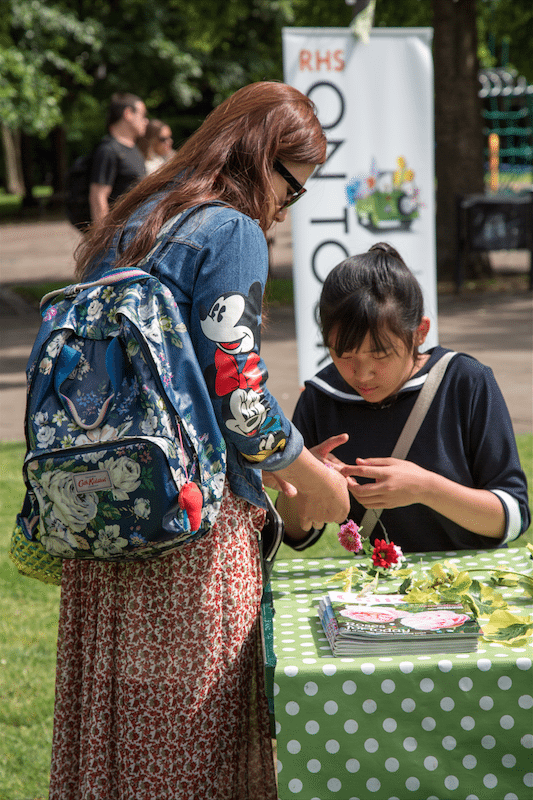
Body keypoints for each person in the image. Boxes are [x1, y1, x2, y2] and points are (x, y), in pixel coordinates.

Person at [48, 81, 350, 800]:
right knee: (195, 747)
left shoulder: (133, 217)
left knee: (118, 743)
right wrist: (311, 478)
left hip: (102, 521)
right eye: (292, 188)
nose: (285, 207)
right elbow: (240, 399)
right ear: (259, 160)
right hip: (190, 536)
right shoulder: (229, 228)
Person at [278, 242, 530, 554]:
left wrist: (426, 488)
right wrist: (307, 481)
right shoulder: (321, 397)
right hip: (373, 591)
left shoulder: (465, 381)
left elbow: (515, 517)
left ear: (420, 333)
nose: (362, 374)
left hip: (470, 586)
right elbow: (294, 534)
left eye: (380, 354)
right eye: (343, 354)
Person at [88, 92, 148, 225]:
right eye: (143, 115)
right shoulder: (108, 150)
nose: (146, 121)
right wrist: (103, 239)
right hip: (117, 236)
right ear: (128, 114)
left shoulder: (133, 149)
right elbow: (98, 197)